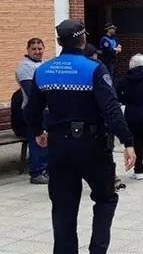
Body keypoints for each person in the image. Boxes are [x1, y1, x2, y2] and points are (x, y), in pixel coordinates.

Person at [24, 18, 135, 254]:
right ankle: (97, 250)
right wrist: (127, 141)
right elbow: (111, 108)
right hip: (93, 147)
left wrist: (37, 132)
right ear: (84, 41)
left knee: (63, 207)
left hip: (59, 148)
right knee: (105, 199)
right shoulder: (94, 69)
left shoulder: (43, 70)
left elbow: (30, 109)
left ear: (58, 41)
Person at [84, 44, 126, 191]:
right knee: (106, 151)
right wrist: (126, 139)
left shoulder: (80, 70)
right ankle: (110, 180)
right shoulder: (98, 68)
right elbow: (110, 100)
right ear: (94, 56)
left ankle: (109, 179)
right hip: (102, 121)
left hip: (85, 123)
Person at [14, 38, 49, 184]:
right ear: (27, 50)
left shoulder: (42, 65)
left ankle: (46, 169)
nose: (37, 52)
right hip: (33, 110)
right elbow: (31, 92)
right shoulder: (24, 67)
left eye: (40, 48)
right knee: (37, 140)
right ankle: (36, 172)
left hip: (46, 110)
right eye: (34, 49)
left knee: (46, 140)